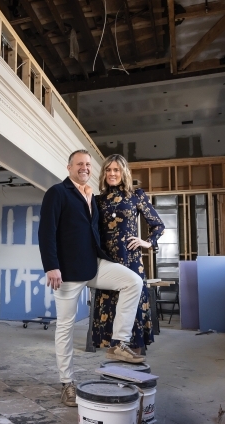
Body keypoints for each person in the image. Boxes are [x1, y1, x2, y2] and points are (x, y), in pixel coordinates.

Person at [38, 149, 146, 407]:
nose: (85, 168)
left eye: (88, 164)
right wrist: (51, 266)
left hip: (94, 264)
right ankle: (67, 383)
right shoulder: (57, 192)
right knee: (65, 326)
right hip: (66, 273)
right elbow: (46, 231)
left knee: (133, 282)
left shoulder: (92, 197)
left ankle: (119, 342)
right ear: (69, 167)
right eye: (79, 164)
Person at [92, 154, 165, 353]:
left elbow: (158, 225)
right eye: (108, 170)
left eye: (116, 170)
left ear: (124, 172)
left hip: (130, 260)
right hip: (107, 261)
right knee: (112, 308)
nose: (112, 173)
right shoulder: (97, 200)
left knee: (134, 307)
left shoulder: (136, 195)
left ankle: (135, 359)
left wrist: (146, 243)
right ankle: (116, 356)